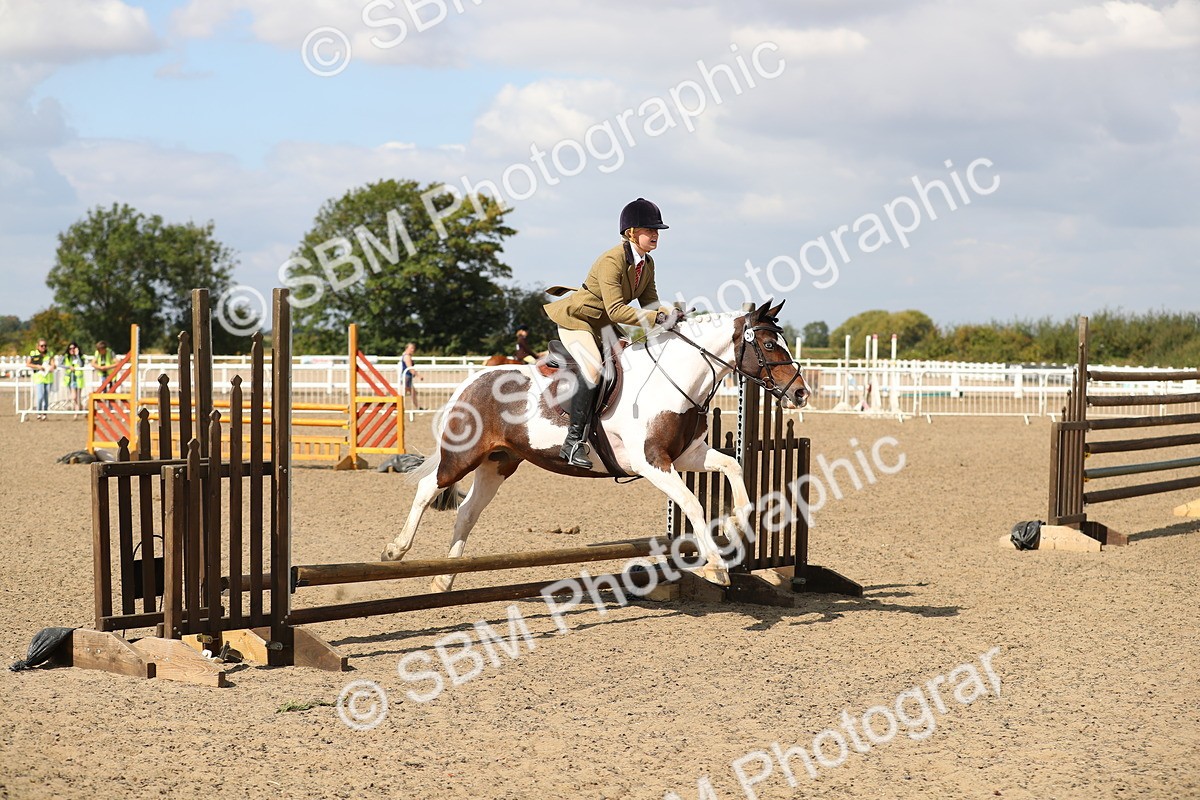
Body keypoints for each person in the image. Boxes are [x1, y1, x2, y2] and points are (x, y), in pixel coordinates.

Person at [543, 198, 681, 468]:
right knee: (594, 370)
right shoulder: (612, 260)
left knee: (631, 361)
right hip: (578, 320)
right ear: (631, 233)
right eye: (649, 229)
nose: (655, 234)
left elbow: (650, 305)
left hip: (604, 323)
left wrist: (672, 314)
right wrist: (658, 316)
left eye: (657, 230)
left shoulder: (647, 264)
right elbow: (617, 310)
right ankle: (573, 443)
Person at [25, 339, 56, 420]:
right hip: (39, 377)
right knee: (40, 396)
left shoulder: (49, 354)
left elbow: (53, 364)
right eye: (42, 346)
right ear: (38, 346)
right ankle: (39, 412)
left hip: (48, 377)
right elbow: (28, 364)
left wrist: (52, 367)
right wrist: (37, 366)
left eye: (45, 346)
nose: (43, 347)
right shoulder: (33, 353)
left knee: (46, 397)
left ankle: (45, 413)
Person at [61, 341, 86, 411]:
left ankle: (77, 412)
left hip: (78, 379)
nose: (72, 350)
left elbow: (81, 365)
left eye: (73, 348)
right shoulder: (66, 356)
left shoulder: (81, 356)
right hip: (70, 378)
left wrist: (77, 355)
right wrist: (68, 367)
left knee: (78, 396)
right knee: (74, 397)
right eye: (70, 348)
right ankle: (80, 407)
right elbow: (60, 364)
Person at [400, 342, 421, 410]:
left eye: (413, 348)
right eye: (411, 348)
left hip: (407, 377)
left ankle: (418, 407)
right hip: (406, 377)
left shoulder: (406, 355)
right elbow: (410, 368)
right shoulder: (407, 356)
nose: (413, 350)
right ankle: (397, 408)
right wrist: (418, 375)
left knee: (412, 393)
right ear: (407, 348)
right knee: (404, 393)